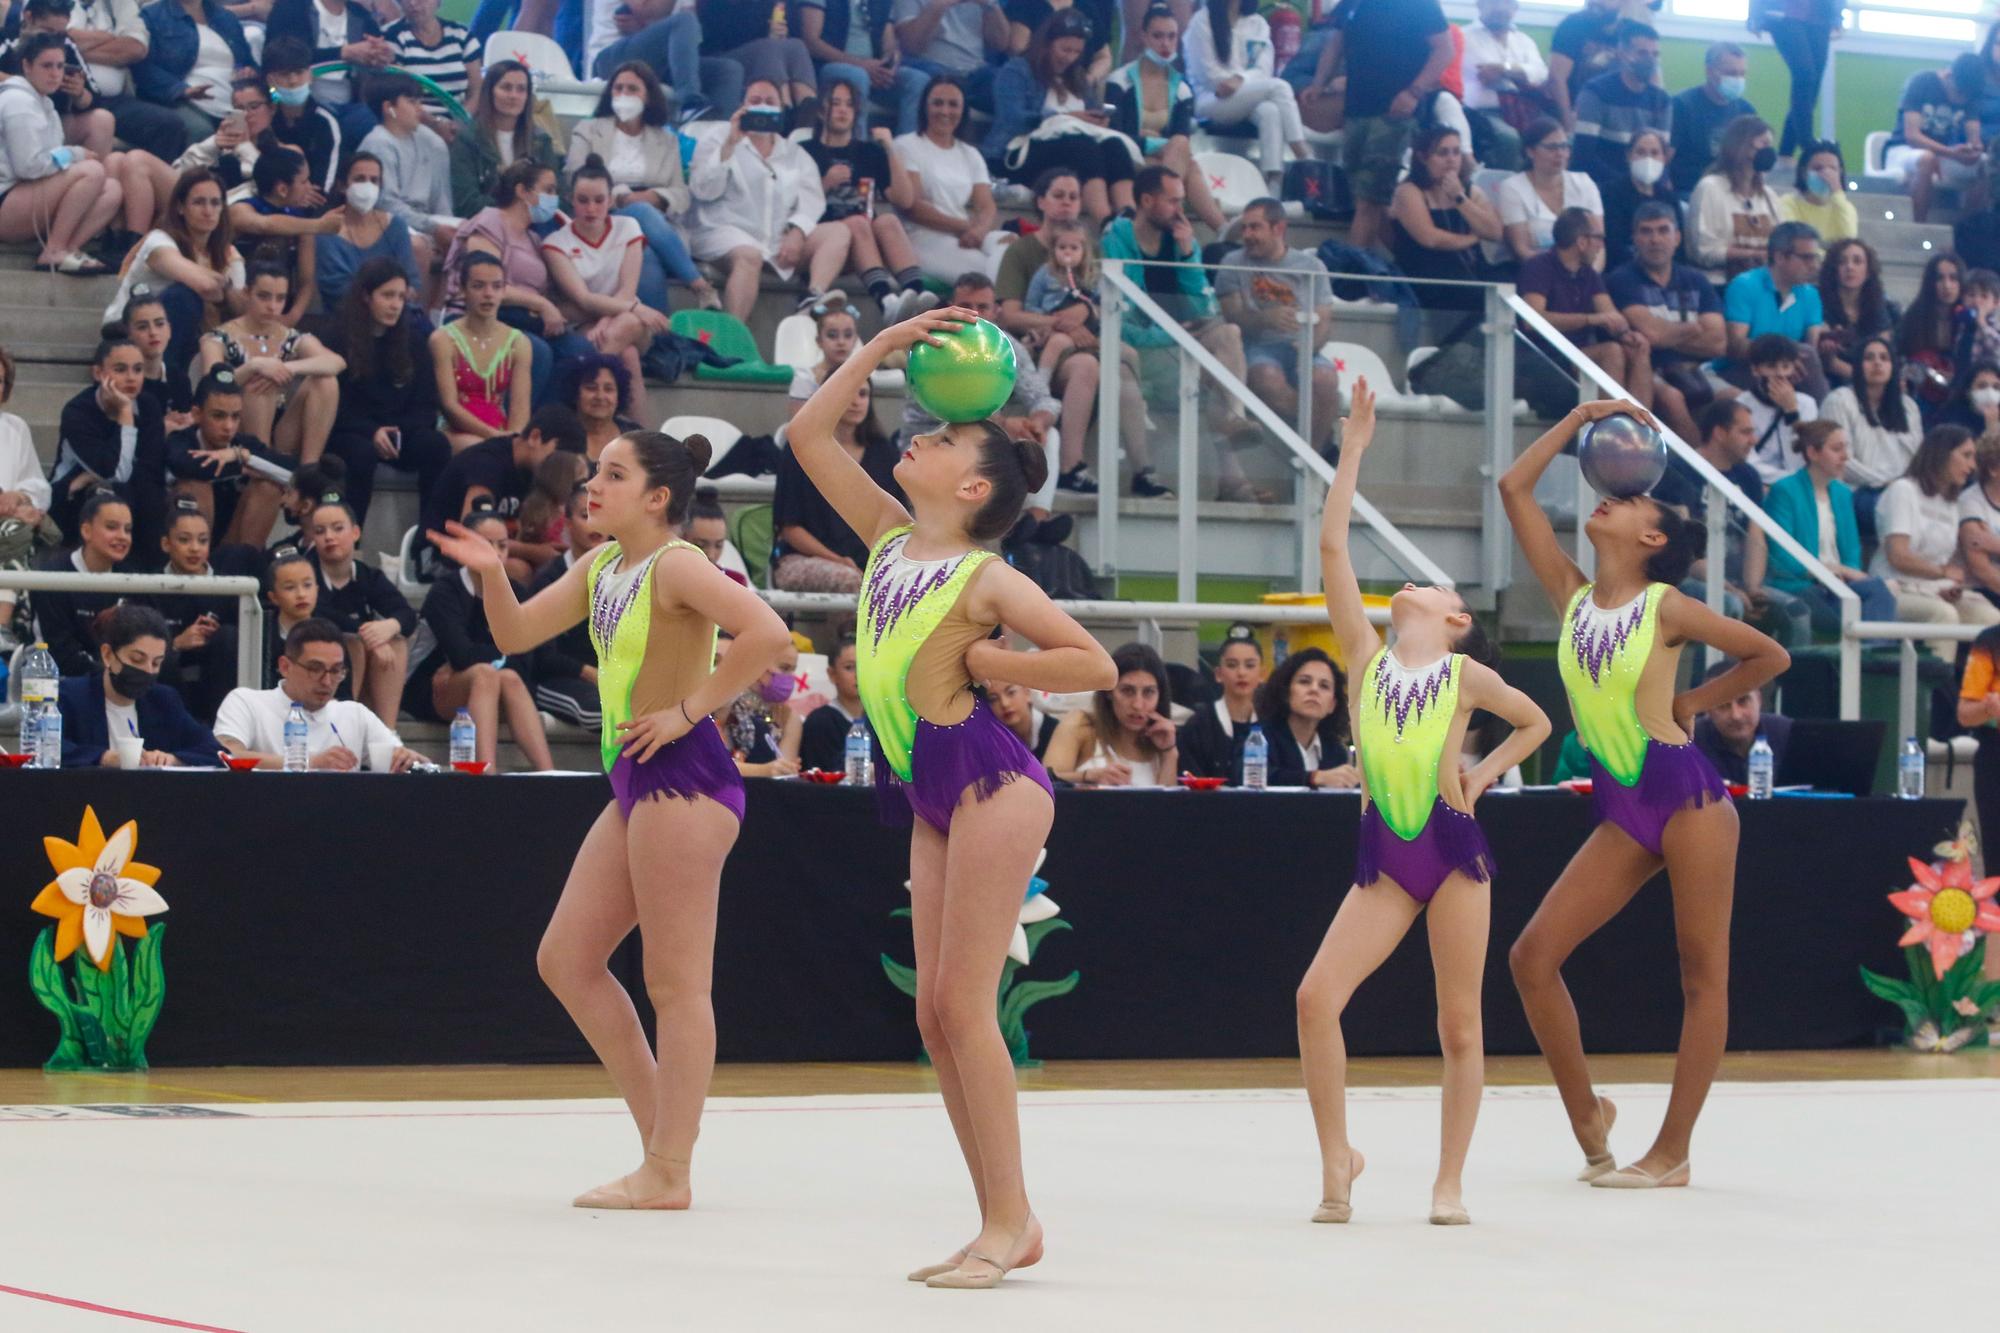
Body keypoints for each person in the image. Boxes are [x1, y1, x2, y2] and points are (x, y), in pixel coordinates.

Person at [792, 305, 1115, 1286]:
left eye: (937, 436)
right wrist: (879, 350)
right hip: (928, 788)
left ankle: (1007, 1220)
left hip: (990, 782)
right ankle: (1001, 1219)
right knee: (934, 1014)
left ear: (973, 486)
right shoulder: (890, 537)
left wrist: (988, 655)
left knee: (966, 1006)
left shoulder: (982, 574)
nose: (916, 434)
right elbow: (807, 435)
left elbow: (1091, 660)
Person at [428, 426, 793, 1210]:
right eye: (595, 471)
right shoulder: (601, 564)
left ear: (658, 498)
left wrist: (690, 709)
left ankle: (668, 1168)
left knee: (676, 985)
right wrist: (494, 573)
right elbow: (516, 634)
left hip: (685, 778)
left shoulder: (680, 565)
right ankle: (664, 1147)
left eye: (614, 474)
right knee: (566, 958)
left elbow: (768, 636)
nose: (592, 483)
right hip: (637, 778)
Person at [1501, 397, 1790, 1190]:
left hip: (1686, 794)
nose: (1609, 495)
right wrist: (1578, 417)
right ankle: (1590, 1117)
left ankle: (1673, 1151)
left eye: (1629, 501)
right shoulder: (1570, 595)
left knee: (1702, 975)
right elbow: (1514, 489)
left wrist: (1694, 704)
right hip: (1621, 803)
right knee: (1532, 956)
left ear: (1653, 538)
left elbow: (1769, 655)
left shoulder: (1664, 607)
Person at [1299, 377, 1547, 1226]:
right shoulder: (1365, 657)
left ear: (1454, 620)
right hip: (1385, 854)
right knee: (1314, 998)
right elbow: (1333, 549)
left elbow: (1536, 720)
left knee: (1460, 1020)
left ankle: (1450, 1180)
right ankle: (1339, 1156)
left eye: (1437, 589)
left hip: (1451, 851)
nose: (1418, 585)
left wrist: (1481, 777)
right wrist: (1355, 447)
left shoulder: (1463, 671)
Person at [1103, 165, 1266, 499]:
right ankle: (1225, 479)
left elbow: (1207, 311)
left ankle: (1236, 419)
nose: (1181, 210)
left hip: (1181, 349)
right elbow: (1124, 321)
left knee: (1228, 334)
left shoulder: (1180, 241)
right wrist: (1175, 335)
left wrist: (1190, 252)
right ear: (1147, 201)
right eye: (1173, 201)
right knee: (1207, 365)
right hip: (1144, 353)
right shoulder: (1115, 242)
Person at [404, 506, 554, 768]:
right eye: (486, 545)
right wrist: (503, 653)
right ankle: (487, 771)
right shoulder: (445, 592)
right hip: (432, 688)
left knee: (509, 677)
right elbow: (462, 656)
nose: (496, 553)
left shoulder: (516, 591)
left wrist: (494, 655)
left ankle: (549, 774)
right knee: (485, 674)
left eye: (503, 545)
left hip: (492, 686)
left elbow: (528, 658)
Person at [687, 78, 851, 318]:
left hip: (776, 241)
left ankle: (812, 298)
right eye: (755, 101)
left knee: (839, 232)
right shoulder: (717, 136)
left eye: (770, 101)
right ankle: (734, 339)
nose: (762, 106)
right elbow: (703, 190)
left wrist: (797, 231)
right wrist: (730, 143)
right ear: (742, 106)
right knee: (749, 256)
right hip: (723, 231)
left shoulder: (794, 153)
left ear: (781, 109)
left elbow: (812, 200)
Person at [565, 61, 719, 313]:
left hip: (656, 221)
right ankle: (699, 284)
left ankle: (657, 338)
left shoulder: (665, 139)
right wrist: (622, 197)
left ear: (648, 96)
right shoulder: (588, 130)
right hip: (603, 211)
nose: (624, 95)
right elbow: (575, 174)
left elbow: (681, 194)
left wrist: (653, 196)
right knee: (640, 214)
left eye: (632, 89)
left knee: (644, 252)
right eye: (618, 88)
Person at [322, 255, 449, 523]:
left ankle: (428, 542)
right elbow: (335, 407)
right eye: (387, 295)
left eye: (401, 297)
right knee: (361, 454)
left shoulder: (414, 341)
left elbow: (426, 405)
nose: (395, 305)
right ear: (366, 296)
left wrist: (398, 433)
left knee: (436, 445)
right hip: (353, 433)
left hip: (399, 434)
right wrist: (371, 432)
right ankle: (351, 541)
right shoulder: (337, 338)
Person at [1315, 0, 1450, 251]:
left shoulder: (1420, 4)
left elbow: (1444, 50)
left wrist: (1413, 92)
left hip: (1394, 113)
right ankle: (1391, 264)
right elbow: (1337, 42)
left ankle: (1350, 277)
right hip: (1356, 110)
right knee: (1365, 199)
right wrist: (1319, 83)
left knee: (1368, 200)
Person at [102, 168, 245, 400]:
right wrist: (223, 287)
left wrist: (226, 289)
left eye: (215, 203)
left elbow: (242, 312)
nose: (208, 211)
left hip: (185, 339)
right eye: (199, 202)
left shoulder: (229, 255)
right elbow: (204, 286)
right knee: (184, 296)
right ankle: (162, 387)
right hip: (125, 333)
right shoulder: (158, 241)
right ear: (180, 207)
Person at [214, 616, 428, 768]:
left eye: (336, 671)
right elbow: (226, 755)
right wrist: (311, 762)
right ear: (285, 666)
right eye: (315, 669)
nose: (327, 681)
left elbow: (403, 756)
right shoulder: (246, 702)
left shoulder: (354, 714)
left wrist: (407, 759)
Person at [802, 79, 936, 321]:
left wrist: (890, 148)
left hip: (865, 244)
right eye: (835, 103)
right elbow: (794, 204)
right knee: (857, 223)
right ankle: (886, 300)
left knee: (887, 220)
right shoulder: (805, 151)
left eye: (849, 105)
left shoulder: (868, 152)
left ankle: (916, 294)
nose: (843, 110)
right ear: (822, 111)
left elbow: (905, 200)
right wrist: (826, 184)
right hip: (825, 243)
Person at [1216, 197, 1341, 458]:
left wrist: (1308, 349)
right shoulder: (1232, 262)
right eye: (1245, 228)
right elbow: (1232, 317)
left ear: (1278, 229)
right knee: (1267, 378)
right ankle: (1323, 435)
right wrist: (1266, 319)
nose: (1247, 235)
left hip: (1302, 345)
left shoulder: (1312, 267)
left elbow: (1325, 320)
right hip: (1256, 347)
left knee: (1326, 379)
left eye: (1255, 227)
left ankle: (1310, 459)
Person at [195, 262, 344, 466]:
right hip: (238, 426)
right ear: (247, 293)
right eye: (264, 296)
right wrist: (254, 366)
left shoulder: (289, 336)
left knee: (326, 382)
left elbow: (336, 362)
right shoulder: (219, 337)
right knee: (259, 380)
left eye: (280, 298)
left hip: (284, 428)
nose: (273, 306)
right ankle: (261, 464)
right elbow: (209, 384)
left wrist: (288, 368)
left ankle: (309, 469)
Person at [0, 31, 125, 273]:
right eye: (47, 66)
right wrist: (73, 154)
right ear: (26, 66)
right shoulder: (19, 101)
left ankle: (65, 249)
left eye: (59, 66)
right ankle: (55, 250)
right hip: (5, 202)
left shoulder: (42, 102)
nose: (55, 73)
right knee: (91, 171)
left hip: (23, 198)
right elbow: (29, 167)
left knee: (112, 189)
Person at [542, 155, 670, 388]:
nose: (591, 208)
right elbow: (584, 298)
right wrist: (634, 308)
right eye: (583, 200)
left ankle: (579, 388)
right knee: (628, 354)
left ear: (610, 200)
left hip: (620, 316)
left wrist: (606, 318)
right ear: (570, 200)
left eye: (599, 200)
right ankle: (632, 423)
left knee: (628, 325)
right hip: (585, 324)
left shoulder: (628, 226)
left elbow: (627, 289)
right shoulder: (555, 243)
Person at [1872, 425, 2000, 656]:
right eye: (1966, 455)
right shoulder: (1903, 490)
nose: (1972, 466)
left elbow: (1946, 563)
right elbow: (1898, 555)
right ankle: (1936, 689)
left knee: (1991, 617)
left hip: (1933, 589)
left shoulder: (1951, 502)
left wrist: (1948, 585)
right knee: (1943, 615)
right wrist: (1942, 573)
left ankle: (1984, 689)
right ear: (1941, 452)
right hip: (1894, 588)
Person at [1763, 418, 1898, 636]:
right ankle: (1873, 659)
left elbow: (1852, 552)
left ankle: (1872, 657)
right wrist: (1824, 572)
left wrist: (1842, 573)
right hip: (1801, 585)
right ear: (1813, 453)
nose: (1845, 456)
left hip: (1838, 585)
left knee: (1882, 590)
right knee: (1878, 592)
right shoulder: (1784, 491)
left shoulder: (1843, 494)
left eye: (1845, 448)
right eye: (1836, 449)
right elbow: (1782, 554)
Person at [775, 369, 901, 592]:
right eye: (849, 393)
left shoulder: (886, 454)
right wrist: (838, 560)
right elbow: (790, 530)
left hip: (869, 562)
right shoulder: (798, 450)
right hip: (801, 558)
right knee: (851, 580)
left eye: (863, 394)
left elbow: (896, 529)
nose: (856, 402)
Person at [1101, 6, 1225, 231]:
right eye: (1158, 36)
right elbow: (1116, 138)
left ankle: (1165, 210)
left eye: (1171, 36)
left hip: (1159, 163)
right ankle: (1219, 227)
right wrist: (1157, 144)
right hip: (1127, 162)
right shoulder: (1118, 82)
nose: (1165, 44)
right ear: (1143, 37)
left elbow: (1181, 139)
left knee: (1182, 149)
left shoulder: (1183, 89)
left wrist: (1158, 145)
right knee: (1188, 161)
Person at [1607, 202, 1722, 444]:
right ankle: (1700, 469)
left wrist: (1667, 335)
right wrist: (1692, 329)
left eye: (1663, 230)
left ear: (1677, 237)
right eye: (1646, 231)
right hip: (1650, 370)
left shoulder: (1696, 280)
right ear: (1635, 238)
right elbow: (1651, 335)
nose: (1655, 239)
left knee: (1737, 399)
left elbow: (1718, 343)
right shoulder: (1622, 280)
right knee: (1673, 399)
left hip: (1698, 370)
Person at [57, 602, 222, 766]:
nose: (148, 671)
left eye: (156, 663)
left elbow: (216, 751)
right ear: (107, 655)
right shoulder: (71, 696)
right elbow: (47, 746)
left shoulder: (163, 700)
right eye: (137, 659)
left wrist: (173, 759)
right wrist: (104, 758)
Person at [1519, 205, 1652, 407]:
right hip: (1545, 358)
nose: (1601, 246)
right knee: (1611, 352)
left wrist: (1627, 334)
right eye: (1598, 238)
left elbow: (1610, 314)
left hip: (1579, 355)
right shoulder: (1539, 267)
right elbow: (1532, 321)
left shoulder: (1589, 274)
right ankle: (1609, 429)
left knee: (1637, 348)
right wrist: (1589, 319)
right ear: (1582, 242)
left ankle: (1638, 430)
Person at [50, 337, 167, 555]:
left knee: (152, 497)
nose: (131, 378)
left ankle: (151, 578)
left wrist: (88, 475)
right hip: (70, 498)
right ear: (98, 373)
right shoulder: (77, 411)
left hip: (130, 492)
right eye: (120, 369)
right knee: (109, 492)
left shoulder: (149, 405)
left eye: (138, 369)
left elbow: (151, 468)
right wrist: (125, 413)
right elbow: (115, 472)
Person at [306, 494, 415, 725]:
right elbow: (319, 613)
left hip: (368, 672)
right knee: (351, 642)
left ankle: (388, 734)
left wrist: (389, 626)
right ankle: (343, 728)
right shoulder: (306, 573)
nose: (329, 537)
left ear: (355, 533)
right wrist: (369, 636)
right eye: (320, 531)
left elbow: (406, 614)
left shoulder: (367, 575)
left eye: (337, 529)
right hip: (319, 665)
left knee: (395, 641)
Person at [892, 73, 1009, 281]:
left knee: (1010, 245)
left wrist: (980, 230)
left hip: (967, 235)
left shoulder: (970, 153)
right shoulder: (906, 146)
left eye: (953, 105)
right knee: (986, 274)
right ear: (925, 107)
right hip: (924, 238)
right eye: (938, 103)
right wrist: (965, 226)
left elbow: (986, 205)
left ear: (963, 110)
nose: (945, 111)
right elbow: (913, 207)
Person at [1180, 0, 1307, 188]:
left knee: (1269, 111)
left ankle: (1273, 183)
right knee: (1280, 88)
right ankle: (1304, 155)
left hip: (1246, 94)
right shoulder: (1202, 21)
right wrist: (1238, 82)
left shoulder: (1257, 23)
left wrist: (1241, 79)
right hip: (1210, 99)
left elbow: (1263, 69)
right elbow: (1208, 76)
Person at [420, 402, 583, 545]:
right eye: (557, 458)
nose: (559, 468)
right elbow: (474, 534)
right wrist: (533, 552)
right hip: (441, 553)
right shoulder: (488, 463)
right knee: (519, 570)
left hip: (497, 552)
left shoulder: (533, 471)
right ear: (535, 437)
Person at [164, 366, 284, 545]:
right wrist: (239, 465)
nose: (228, 426)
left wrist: (241, 456)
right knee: (196, 486)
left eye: (235, 417)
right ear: (197, 414)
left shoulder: (244, 445)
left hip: (232, 542)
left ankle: (244, 563)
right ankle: (198, 569)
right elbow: (187, 466)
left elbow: (296, 473)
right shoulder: (181, 440)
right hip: (186, 544)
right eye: (218, 416)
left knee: (269, 487)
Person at [1388, 124, 1501, 312]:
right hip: (1426, 270)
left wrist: (1460, 198)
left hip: (1468, 266)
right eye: (1442, 153)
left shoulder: (1469, 191)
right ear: (1423, 157)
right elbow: (1430, 238)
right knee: (1477, 297)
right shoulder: (1408, 191)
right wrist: (1472, 238)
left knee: (1511, 288)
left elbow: (1495, 232)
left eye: (1456, 152)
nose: (1451, 160)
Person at [358, 72, 459, 274]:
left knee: (472, 236)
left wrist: (447, 229)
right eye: (412, 102)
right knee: (417, 247)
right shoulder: (377, 144)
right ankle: (418, 306)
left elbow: (442, 199)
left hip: (427, 219)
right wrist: (433, 228)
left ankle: (444, 305)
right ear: (389, 108)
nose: (419, 109)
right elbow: (386, 204)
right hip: (388, 222)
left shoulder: (432, 141)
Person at [70, 0, 193, 165]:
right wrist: (109, 38)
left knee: (170, 125)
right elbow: (54, 39)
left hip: (112, 100)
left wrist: (74, 51)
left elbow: (136, 48)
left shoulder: (118, 3)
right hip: (68, 99)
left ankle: (154, 184)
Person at [1820, 334, 1922, 531]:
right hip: (1857, 492)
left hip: (1903, 491)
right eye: (1869, 358)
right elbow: (1841, 461)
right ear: (1857, 365)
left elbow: (1917, 458)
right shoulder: (1839, 400)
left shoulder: (1908, 407)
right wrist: (1884, 482)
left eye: (1884, 358)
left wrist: (1902, 486)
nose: (1877, 363)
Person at [433, 250, 533, 449]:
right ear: (463, 290)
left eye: (496, 286)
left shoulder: (518, 342)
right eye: (478, 286)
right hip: (454, 431)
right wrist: (494, 436)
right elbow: (449, 406)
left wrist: (512, 439)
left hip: (500, 430)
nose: (488, 294)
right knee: (481, 451)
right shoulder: (443, 339)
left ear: (504, 290)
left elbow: (520, 409)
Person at [1045, 639, 1177, 787]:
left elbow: (1169, 805)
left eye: (1148, 692)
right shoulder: (1081, 724)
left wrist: (1169, 753)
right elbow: (1046, 780)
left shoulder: (1164, 740)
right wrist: (1088, 776)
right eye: (1127, 691)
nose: (1138, 705)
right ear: (1109, 691)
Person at [525, 481, 603, 729]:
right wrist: (592, 674)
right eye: (585, 515)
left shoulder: (624, 574)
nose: (594, 522)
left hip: (610, 679)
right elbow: (544, 656)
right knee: (602, 712)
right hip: (557, 680)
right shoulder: (550, 578)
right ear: (567, 523)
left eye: (600, 513)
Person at [1720, 220, 1827, 400]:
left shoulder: (1810, 294)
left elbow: (1812, 347)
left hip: (1787, 370)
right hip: (1742, 369)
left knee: (1808, 358)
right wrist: (1784, 354)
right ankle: (1822, 423)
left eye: (1816, 258)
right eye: (1807, 258)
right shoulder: (1744, 286)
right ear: (1779, 257)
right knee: (1805, 356)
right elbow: (1736, 347)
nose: (1814, 265)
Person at [33, 488, 134, 674]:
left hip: (113, 678)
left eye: (127, 530)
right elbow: (59, 651)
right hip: (54, 679)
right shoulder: (53, 576)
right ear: (86, 531)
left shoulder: (133, 578)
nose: (122, 536)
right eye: (112, 527)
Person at [265, 0, 392, 146]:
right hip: (298, 101)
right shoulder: (291, 7)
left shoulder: (361, 14)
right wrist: (342, 53)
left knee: (374, 124)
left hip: (351, 105)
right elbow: (277, 58)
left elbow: (377, 52)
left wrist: (381, 55)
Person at [133, 0, 255, 148]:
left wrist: (249, 71)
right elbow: (143, 68)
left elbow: (249, 62)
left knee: (259, 122)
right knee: (200, 130)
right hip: (180, 100)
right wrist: (181, 90)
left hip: (234, 101)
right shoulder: (152, 16)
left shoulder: (226, 17)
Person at [1884, 51, 1987, 224]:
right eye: (1958, 92)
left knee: (1986, 164)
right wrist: (1951, 153)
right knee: (1927, 159)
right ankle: (1919, 227)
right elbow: (1912, 136)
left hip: (1942, 155)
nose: (1960, 99)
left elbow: (1974, 136)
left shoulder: (1971, 93)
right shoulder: (1923, 82)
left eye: (1965, 96)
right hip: (1903, 150)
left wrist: (1974, 150)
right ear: (1949, 76)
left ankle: (1966, 228)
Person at [448, 59, 557, 221]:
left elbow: (556, 195)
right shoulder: (467, 140)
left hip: (536, 226)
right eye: (506, 87)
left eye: (521, 89)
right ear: (489, 92)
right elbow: (467, 203)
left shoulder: (541, 140)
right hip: (485, 226)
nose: (513, 95)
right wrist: (516, 209)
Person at [0, 347, 58, 641]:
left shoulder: (15, 428)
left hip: (8, 527)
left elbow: (39, 487)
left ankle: (3, 630)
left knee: (16, 531)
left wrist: (21, 499)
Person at [313, 152, 419, 314]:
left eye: (374, 180)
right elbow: (337, 291)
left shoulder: (396, 226)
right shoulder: (327, 230)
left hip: (397, 318)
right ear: (342, 185)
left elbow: (411, 284)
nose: (368, 186)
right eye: (360, 179)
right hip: (347, 322)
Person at [1493, 117, 1602, 265]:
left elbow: (1598, 244)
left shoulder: (1585, 183)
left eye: (1564, 146)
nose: (1560, 153)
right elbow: (1522, 249)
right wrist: (1563, 272)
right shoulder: (1512, 187)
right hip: (1537, 271)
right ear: (1530, 152)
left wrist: (1590, 276)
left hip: (1583, 272)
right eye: (1552, 148)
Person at [1687, 114, 1782, 282]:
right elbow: (1702, 250)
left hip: (1763, 287)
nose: (1769, 151)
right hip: (1719, 284)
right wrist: (1753, 255)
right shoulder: (1710, 188)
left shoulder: (1769, 196)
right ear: (1741, 146)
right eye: (1764, 144)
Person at [1570, 21, 1667, 184]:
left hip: (1645, 185)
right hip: (1601, 184)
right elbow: (1584, 155)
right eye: (1642, 53)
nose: (1650, 60)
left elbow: (1661, 155)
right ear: (1622, 53)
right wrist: (1627, 185)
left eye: (1655, 54)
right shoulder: (1595, 92)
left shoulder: (1662, 100)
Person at [891, 0, 1008, 133]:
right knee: (928, 83)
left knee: (1010, 83)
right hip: (929, 67)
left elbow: (1000, 44)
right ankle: (909, 150)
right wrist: (940, 5)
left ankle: (997, 151)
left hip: (976, 72)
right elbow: (911, 46)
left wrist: (990, 4)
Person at [1459, 0, 1547, 172]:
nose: (1499, 8)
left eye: (1507, 3)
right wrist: (1519, 73)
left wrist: (1503, 69)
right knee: (1508, 138)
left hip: (1524, 110)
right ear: (1479, 5)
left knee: (1554, 138)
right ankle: (1503, 193)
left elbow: (1540, 73)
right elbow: (1485, 72)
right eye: (1493, 2)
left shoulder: (1524, 41)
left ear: (1515, 8)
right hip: (1481, 113)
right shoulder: (1464, 37)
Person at [1750, 0, 1838, 161]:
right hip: (1784, 14)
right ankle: (1806, 141)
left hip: (1820, 16)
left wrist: (1837, 17)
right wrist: (1755, 14)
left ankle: (1786, 151)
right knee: (1805, 74)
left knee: (1813, 84)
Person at [263, 36, 345, 201]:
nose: (293, 81)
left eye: (299, 73)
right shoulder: (264, 117)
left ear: (310, 75)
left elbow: (322, 188)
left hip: (310, 208)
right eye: (284, 74)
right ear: (270, 79)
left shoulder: (326, 122)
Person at [1667, 41, 1752, 195]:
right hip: (1688, 190)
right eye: (1731, 73)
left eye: (1742, 74)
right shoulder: (1682, 106)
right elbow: (1666, 158)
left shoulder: (1746, 111)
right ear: (1709, 71)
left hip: (1731, 191)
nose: (1738, 79)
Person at [1173, 627, 1258, 781]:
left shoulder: (1271, 725)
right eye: (1232, 665)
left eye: (1250, 665)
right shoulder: (1198, 725)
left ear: (1262, 674)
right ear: (1218, 674)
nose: (1241, 673)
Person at [1688, 661, 1790, 785]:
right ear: (1708, 709)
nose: (1736, 715)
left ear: (1758, 699)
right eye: (1723, 705)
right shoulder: (1690, 742)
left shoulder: (1786, 733)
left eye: (1743, 701)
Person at [716, 631, 803, 774]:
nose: (789, 678)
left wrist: (783, 769)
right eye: (784, 668)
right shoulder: (721, 706)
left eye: (793, 670)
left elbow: (781, 773)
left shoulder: (784, 716)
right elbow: (711, 767)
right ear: (757, 664)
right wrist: (763, 770)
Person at [1815, 238, 1897, 388]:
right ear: (1833, 269)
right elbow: (1829, 363)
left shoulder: (1878, 305)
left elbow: (1883, 347)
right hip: (1831, 379)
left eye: (1857, 261)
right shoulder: (1818, 302)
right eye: (1842, 262)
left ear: (1868, 271)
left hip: (1869, 376)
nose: (1849, 267)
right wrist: (1865, 377)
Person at [1739, 332, 1818, 484]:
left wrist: (1792, 414)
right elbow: (1747, 459)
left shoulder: (1806, 404)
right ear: (1756, 370)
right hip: (1761, 482)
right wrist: (1788, 481)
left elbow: (1806, 457)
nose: (1780, 374)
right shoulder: (1741, 405)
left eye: (1786, 367)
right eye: (1771, 367)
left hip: (1799, 484)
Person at [384, 0, 482, 121]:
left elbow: (476, 90)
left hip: (460, 121)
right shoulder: (391, 37)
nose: (412, 3)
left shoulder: (461, 34)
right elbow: (397, 97)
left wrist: (462, 121)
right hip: (413, 122)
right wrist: (436, 124)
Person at [1598, 127, 1678, 273]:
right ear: (1629, 156)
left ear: (1664, 159)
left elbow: (1679, 248)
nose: (1648, 159)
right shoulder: (1610, 193)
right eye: (1641, 152)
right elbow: (1613, 245)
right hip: (1623, 272)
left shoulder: (1670, 198)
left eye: (1655, 153)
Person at [1899, 252, 1964, 413]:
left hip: (1958, 396)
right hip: (1920, 397)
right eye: (1940, 278)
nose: (1947, 285)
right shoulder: (1914, 317)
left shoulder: (1968, 320)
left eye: (1953, 278)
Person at [1544, 0, 1620, 130]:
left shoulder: (1629, 31)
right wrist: (1568, 124)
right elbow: (1557, 79)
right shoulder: (1572, 25)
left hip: (1615, 115)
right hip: (1575, 110)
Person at [786, 291, 861, 419]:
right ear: (819, 341)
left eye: (848, 335)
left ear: (855, 340)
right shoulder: (805, 379)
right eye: (832, 335)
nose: (841, 342)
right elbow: (797, 427)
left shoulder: (861, 378)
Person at [796, 631, 861, 771]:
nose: (858, 675)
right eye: (849, 667)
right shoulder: (819, 722)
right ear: (832, 674)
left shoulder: (881, 723)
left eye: (865, 667)